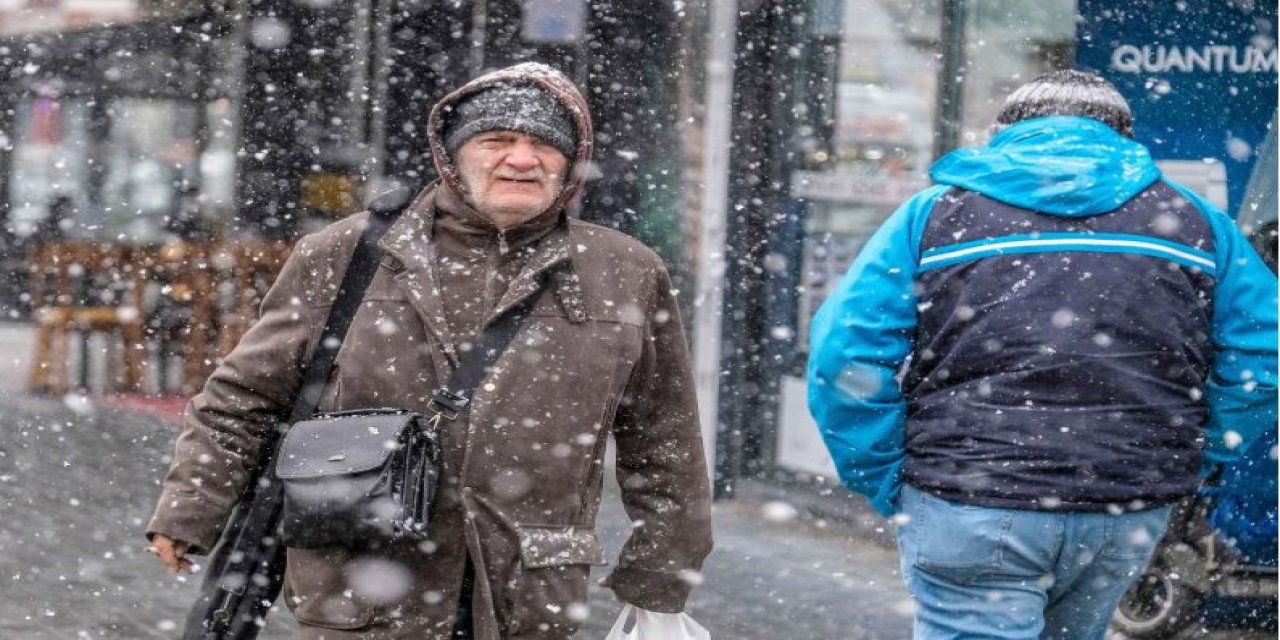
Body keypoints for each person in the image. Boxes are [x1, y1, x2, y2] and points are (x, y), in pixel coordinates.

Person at [147, 62, 713, 639]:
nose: (522, 159)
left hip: (527, 593)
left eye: (544, 145)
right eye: (497, 140)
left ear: (571, 164)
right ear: (450, 155)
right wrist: (189, 509)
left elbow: (664, 435)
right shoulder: (346, 253)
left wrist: (661, 573)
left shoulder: (625, 273)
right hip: (365, 585)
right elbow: (243, 397)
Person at [807, 69, 1277, 639]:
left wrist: (882, 474)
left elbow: (845, 358)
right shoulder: (1198, 225)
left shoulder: (933, 218)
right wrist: (1195, 450)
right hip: (1125, 502)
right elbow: (1264, 358)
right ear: (1126, 138)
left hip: (971, 497)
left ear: (1002, 131)